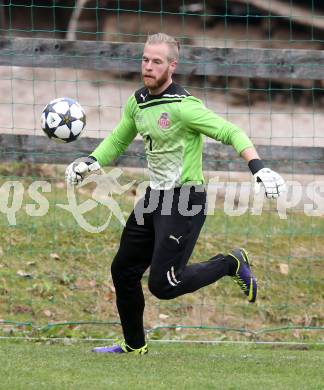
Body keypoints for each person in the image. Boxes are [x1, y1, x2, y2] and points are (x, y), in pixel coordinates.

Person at [65, 33, 285, 355]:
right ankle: (134, 345)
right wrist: (92, 161)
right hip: (154, 198)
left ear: (172, 66)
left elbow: (231, 131)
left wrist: (259, 168)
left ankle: (230, 264)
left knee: (164, 285)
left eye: (157, 61)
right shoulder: (138, 102)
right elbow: (118, 140)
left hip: (185, 200)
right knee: (123, 269)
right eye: (145, 59)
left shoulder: (185, 107)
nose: (148, 67)